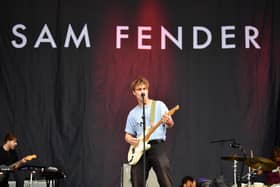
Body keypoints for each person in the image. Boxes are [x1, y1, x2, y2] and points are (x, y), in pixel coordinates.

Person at [124, 77, 175, 187]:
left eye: (144, 88)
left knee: (164, 175)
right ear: (134, 92)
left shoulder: (159, 105)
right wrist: (128, 139)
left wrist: (169, 121)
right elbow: (127, 134)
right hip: (139, 149)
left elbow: (170, 124)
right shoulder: (132, 113)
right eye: (139, 89)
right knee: (136, 180)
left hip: (156, 145)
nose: (142, 91)